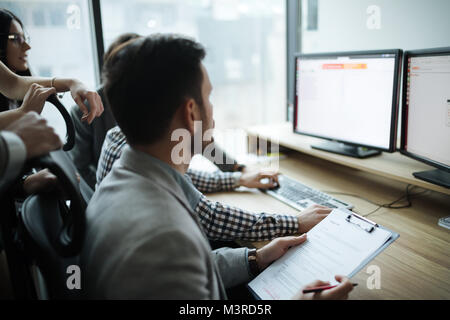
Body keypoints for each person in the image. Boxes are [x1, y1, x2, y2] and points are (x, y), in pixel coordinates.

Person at [80, 34, 354, 299]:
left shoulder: (132, 177)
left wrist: (255, 258)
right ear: (191, 113)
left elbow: (187, 270)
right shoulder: (163, 233)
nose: (212, 109)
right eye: (208, 97)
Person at [69, 33, 259, 189]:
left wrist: (237, 169)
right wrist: (103, 191)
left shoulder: (154, 102)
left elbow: (197, 136)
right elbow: (80, 167)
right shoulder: (89, 114)